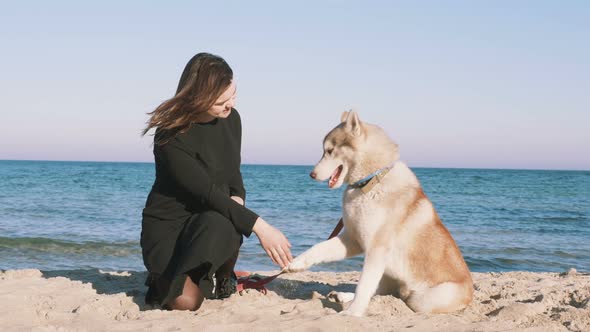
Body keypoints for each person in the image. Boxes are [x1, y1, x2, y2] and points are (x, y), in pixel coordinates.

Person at [140, 52, 293, 311]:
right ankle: (164, 278)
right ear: (198, 96)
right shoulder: (170, 134)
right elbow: (206, 193)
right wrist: (261, 227)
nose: (230, 104)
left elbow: (234, 176)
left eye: (233, 95)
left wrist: (239, 200)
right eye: (222, 100)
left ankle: (224, 277)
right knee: (184, 301)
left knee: (227, 215)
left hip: (210, 222)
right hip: (169, 228)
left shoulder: (232, 120)